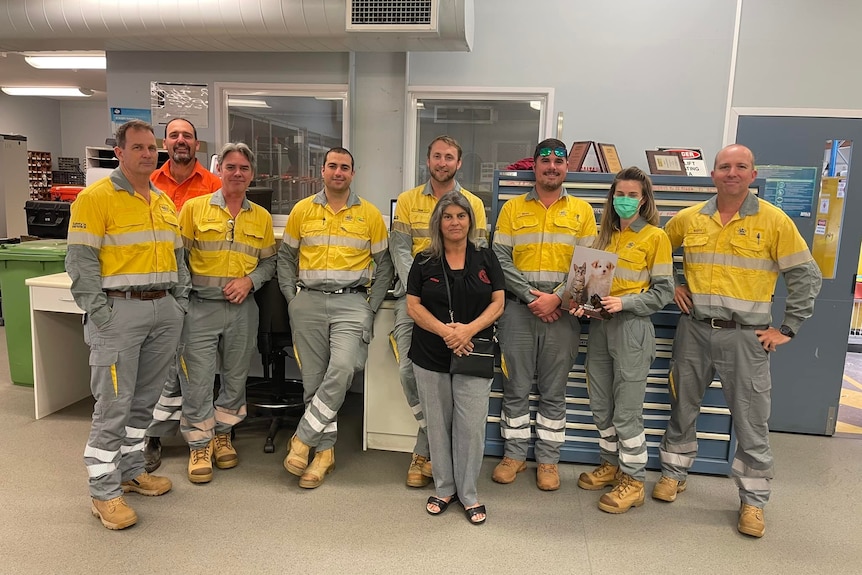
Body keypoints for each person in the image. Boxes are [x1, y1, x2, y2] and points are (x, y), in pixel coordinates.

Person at [654, 144, 822, 538]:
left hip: (746, 337)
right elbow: (653, 252)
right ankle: (674, 474)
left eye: (740, 167)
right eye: (724, 166)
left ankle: (752, 502)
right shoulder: (689, 219)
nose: (732, 172)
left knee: (751, 422)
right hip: (694, 330)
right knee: (682, 405)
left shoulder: (774, 221)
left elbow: (806, 276)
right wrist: (673, 284)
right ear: (712, 174)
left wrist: (789, 327)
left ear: (752, 174)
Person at [66, 119, 190, 530]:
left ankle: (133, 470)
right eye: (137, 147)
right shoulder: (95, 198)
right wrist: (102, 315)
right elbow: (80, 264)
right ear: (118, 152)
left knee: (144, 400)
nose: (147, 153)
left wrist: (180, 304)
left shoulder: (162, 200)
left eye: (151, 147)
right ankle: (103, 492)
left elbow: (179, 260)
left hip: (162, 311)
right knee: (113, 404)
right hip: (119, 313)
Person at [278, 147, 394, 489]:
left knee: (343, 369)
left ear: (352, 174)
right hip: (308, 303)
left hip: (351, 303)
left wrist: (370, 308)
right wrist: (291, 300)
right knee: (313, 381)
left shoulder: (370, 215)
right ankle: (324, 455)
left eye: (345, 167)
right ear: (322, 171)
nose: (338, 172)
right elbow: (286, 258)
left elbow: (384, 266)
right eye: (332, 166)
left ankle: (301, 439)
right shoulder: (302, 210)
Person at [491, 138, 597, 490]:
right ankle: (515, 455)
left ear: (567, 167)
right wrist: (529, 296)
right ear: (534, 166)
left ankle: (549, 461)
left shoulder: (583, 212)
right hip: (517, 313)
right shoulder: (511, 209)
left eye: (559, 161)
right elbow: (499, 259)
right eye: (545, 160)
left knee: (554, 390)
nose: (552, 166)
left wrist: (557, 299)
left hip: (563, 315)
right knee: (515, 387)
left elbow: (589, 268)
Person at [571, 167, 673, 513]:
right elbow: (587, 285)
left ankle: (633, 479)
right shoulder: (604, 237)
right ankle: (611, 464)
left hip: (632, 328)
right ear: (611, 197)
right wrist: (580, 303)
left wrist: (625, 302)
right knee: (601, 404)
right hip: (600, 327)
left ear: (644, 200)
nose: (625, 200)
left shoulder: (656, 238)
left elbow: (663, 292)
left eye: (633, 195)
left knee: (627, 411)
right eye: (620, 194)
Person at [390, 135, 488, 488]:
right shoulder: (407, 201)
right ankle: (435, 444)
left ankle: (427, 453)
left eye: (449, 157)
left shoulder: (473, 203)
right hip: (417, 302)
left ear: (458, 163)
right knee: (409, 373)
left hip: (462, 309)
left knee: (456, 382)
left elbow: (479, 255)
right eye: (436, 156)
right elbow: (400, 249)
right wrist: (419, 287)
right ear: (427, 160)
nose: (442, 162)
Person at [176, 143, 277, 484]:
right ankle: (199, 445)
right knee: (197, 380)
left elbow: (269, 262)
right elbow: (178, 259)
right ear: (220, 170)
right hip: (200, 308)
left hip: (241, 310)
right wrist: (185, 299)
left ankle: (223, 435)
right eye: (231, 167)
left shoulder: (260, 217)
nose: (237, 173)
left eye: (244, 168)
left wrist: (250, 281)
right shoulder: (194, 209)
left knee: (235, 379)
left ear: (252, 175)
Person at [406, 191, 504, 524]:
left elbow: (498, 303)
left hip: (474, 352)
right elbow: (413, 306)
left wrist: (467, 332)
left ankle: (469, 493)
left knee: (471, 427)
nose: (455, 222)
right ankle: (445, 488)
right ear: (438, 222)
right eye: (447, 216)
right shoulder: (423, 261)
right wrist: (448, 333)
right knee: (438, 424)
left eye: (461, 216)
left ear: (470, 221)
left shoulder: (486, 258)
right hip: (430, 352)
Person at [144, 117, 222, 473]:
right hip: (155, 283)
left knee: (186, 365)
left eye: (187, 136)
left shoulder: (214, 185)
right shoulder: (146, 182)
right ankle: (153, 434)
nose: (181, 141)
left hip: (194, 289)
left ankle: (196, 434)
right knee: (156, 367)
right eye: (174, 135)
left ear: (196, 144)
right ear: (165, 141)